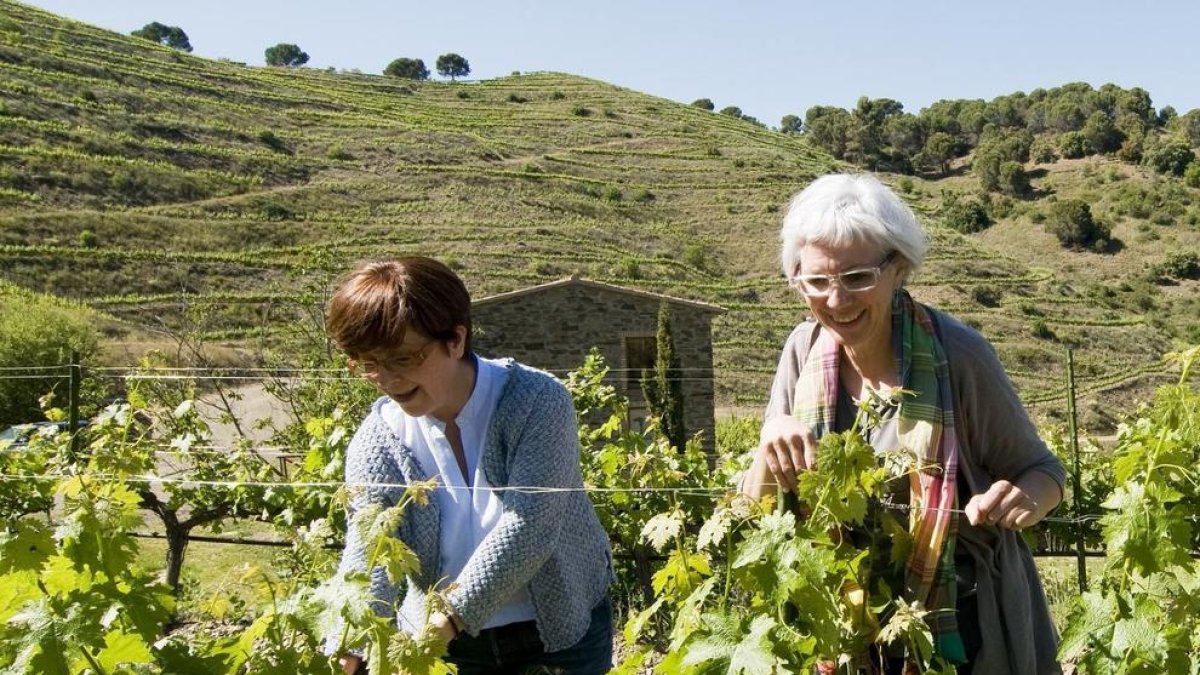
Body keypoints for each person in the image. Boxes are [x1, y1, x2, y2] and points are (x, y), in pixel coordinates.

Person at [741, 174, 1065, 675]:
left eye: (857, 278)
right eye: (817, 282)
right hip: (841, 635)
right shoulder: (801, 353)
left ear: (898, 270)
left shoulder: (959, 357)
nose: (836, 300)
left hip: (959, 632)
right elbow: (753, 505)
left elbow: (1044, 472)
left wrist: (1023, 500)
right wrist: (770, 440)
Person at [327, 257, 613, 675]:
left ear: (455, 339)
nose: (385, 379)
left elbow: (531, 526)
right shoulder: (377, 441)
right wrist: (350, 642)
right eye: (368, 363)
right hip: (453, 651)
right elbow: (370, 550)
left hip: (559, 633)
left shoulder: (537, 401)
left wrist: (449, 619)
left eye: (403, 359)